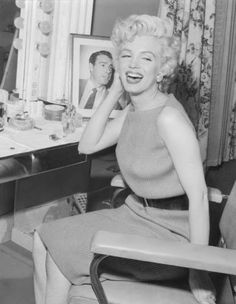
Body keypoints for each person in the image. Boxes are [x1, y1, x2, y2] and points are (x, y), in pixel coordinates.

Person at [33, 15, 216, 304]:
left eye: (146, 58)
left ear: (161, 69)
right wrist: (115, 92)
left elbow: (200, 195)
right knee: (41, 237)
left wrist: (197, 270)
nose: (133, 64)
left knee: (57, 252)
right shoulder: (135, 108)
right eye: (127, 55)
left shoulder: (168, 118)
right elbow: (88, 144)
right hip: (135, 213)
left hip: (167, 230)